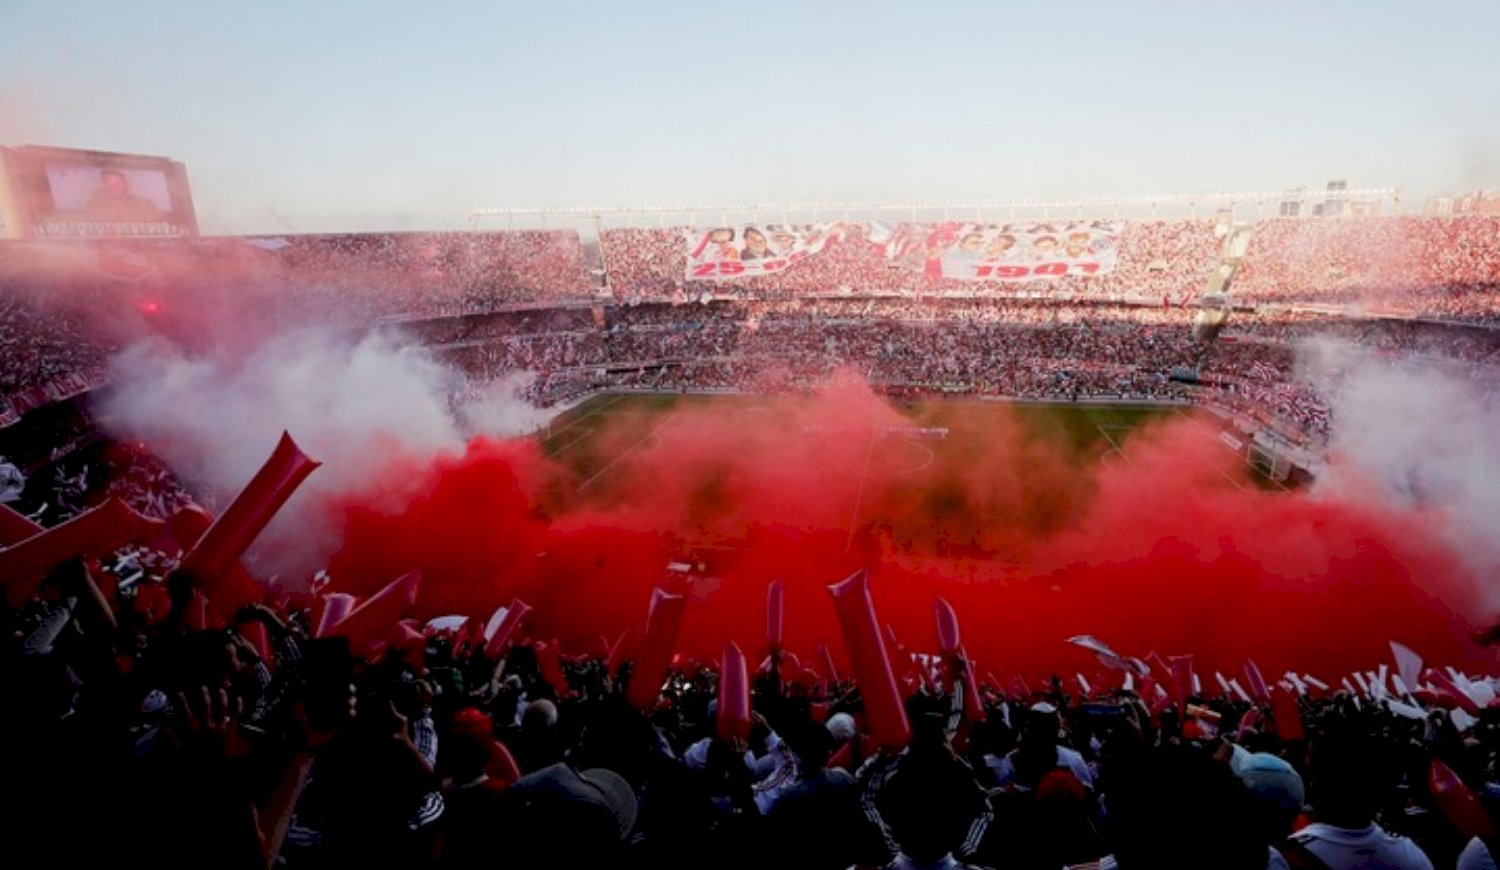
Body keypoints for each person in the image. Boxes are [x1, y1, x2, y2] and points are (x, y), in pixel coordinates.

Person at [84, 169, 163, 222]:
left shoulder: (143, 203)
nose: (115, 187)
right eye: (110, 184)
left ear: (126, 184)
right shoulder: (95, 206)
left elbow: (155, 225)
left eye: (119, 183)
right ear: (104, 186)